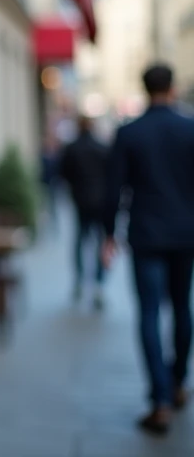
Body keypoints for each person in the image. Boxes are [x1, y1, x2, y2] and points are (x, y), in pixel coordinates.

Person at [103, 63, 194, 435]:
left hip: (146, 235)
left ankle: (159, 400)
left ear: (144, 89)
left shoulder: (130, 133)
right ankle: (177, 382)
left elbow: (114, 190)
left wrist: (109, 235)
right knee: (182, 307)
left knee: (149, 313)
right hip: (186, 235)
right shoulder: (190, 129)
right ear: (172, 88)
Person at [58, 116, 110, 309]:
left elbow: (63, 174)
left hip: (81, 202)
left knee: (80, 240)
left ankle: (80, 280)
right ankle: (98, 283)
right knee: (99, 241)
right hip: (100, 203)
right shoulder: (102, 147)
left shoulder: (72, 148)